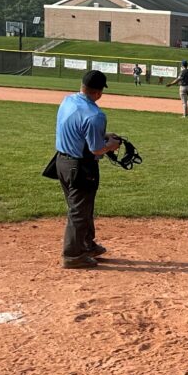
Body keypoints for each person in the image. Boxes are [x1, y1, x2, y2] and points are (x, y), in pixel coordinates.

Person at [53, 70, 122, 269]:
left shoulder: (68, 101)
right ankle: (73, 255)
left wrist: (104, 136)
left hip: (61, 163)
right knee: (79, 211)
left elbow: (76, 130)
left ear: (82, 85)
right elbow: (96, 149)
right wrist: (112, 145)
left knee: (82, 208)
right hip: (81, 167)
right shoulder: (95, 115)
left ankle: (86, 245)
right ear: (99, 93)